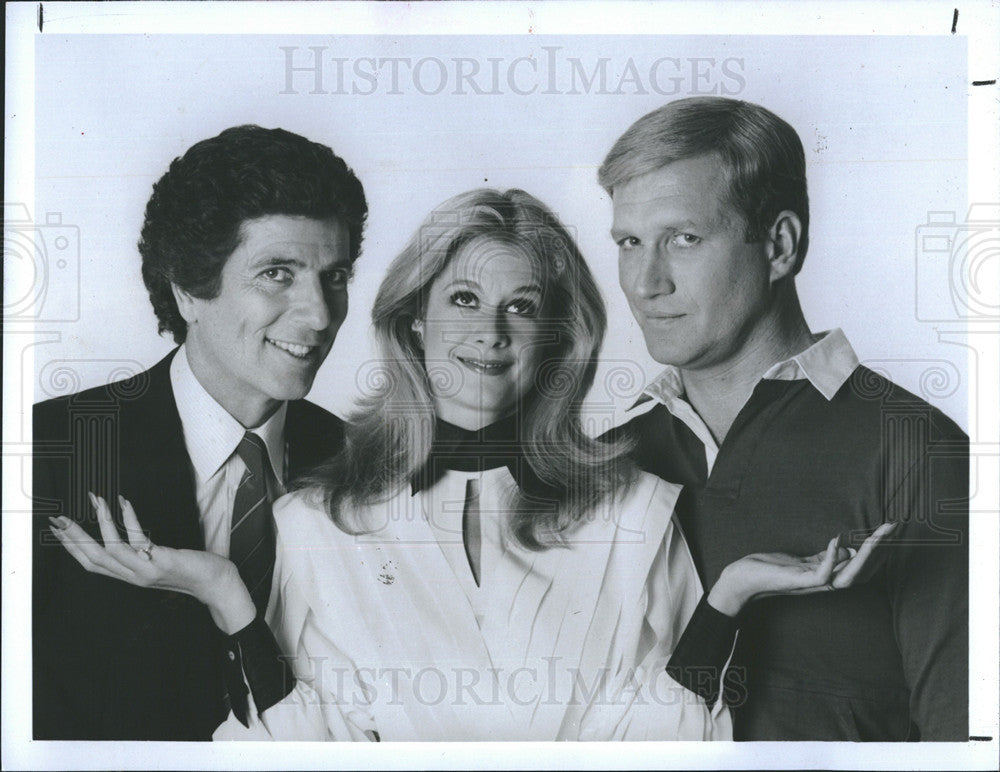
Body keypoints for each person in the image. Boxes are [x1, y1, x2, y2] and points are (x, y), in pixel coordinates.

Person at [51, 188, 893, 741]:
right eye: (463, 300)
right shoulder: (314, 522)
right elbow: (303, 751)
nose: (490, 333)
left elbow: (660, 744)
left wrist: (728, 597)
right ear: (414, 320)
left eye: (521, 308)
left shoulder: (639, 510)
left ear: (558, 337)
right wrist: (227, 596)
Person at [599, 97, 970, 741]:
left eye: (683, 238)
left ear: (779, 245)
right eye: (630, 242)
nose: (644, 282)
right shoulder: (605, 461)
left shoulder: (914, 448)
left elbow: (961, 737)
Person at [32, 125, 368, 740]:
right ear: (187, 288)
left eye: (335, 276)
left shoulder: (369, 469)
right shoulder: (52, 451)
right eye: (277, 273)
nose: (319, 315)